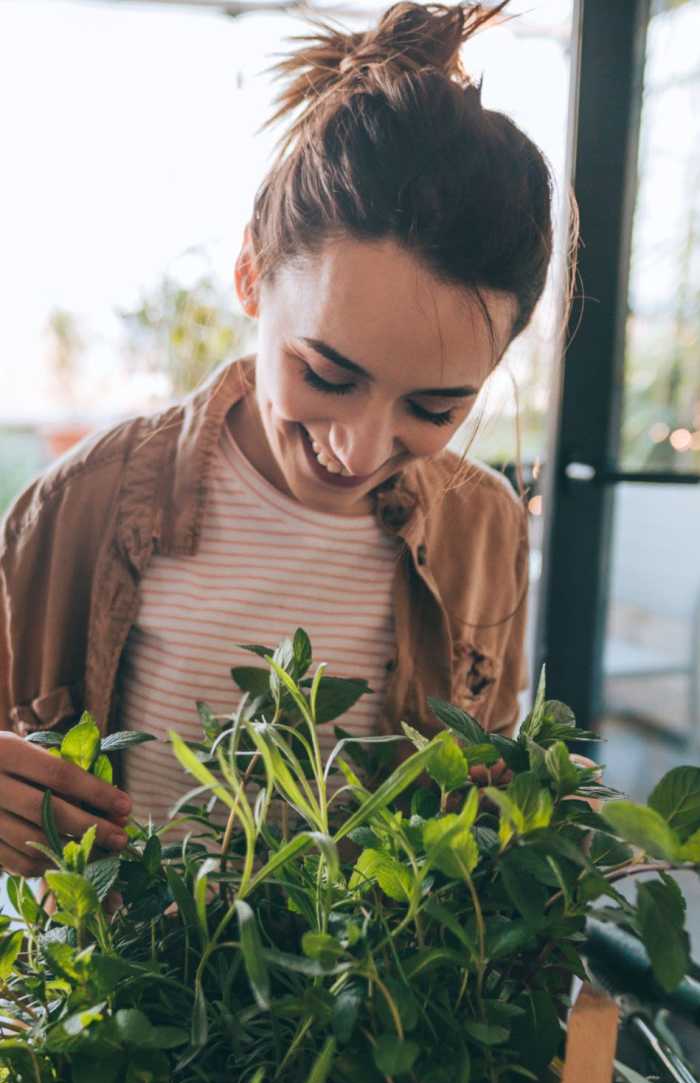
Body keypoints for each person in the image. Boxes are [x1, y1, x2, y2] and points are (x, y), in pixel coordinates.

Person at [0, 0, 578, 878]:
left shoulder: (486, 527)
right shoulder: (73, 505)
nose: (357, 449)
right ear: (250, 275)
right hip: (121, 1008)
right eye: (328, 376)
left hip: (371, 1015)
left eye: (435, 408)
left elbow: (478, 825)